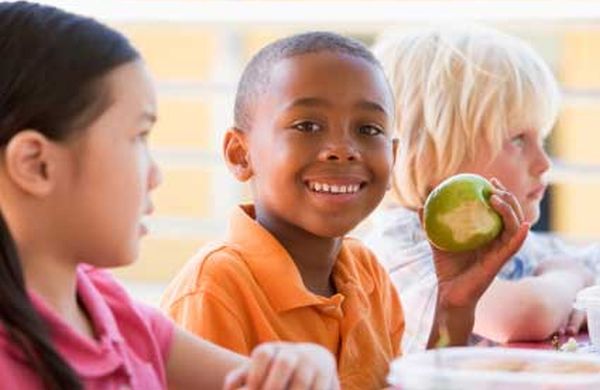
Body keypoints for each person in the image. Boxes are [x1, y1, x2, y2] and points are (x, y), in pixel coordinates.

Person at [160, 31, 528, 389]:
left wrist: (455, 303)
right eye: (307, 125)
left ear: (393, 156)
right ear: (240, 154)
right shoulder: (215, 289)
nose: (342, 148)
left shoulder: (366, 274)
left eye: (368, 129)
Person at [0, 2, 340, 389]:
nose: (156, 176)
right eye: (138, 137)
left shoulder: (106, 305)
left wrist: (303, 366)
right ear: (35, 164)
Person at [362, 26, 596, 353]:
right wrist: (568, 278)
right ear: (435, 153)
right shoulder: (400, 248)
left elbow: (589, 262)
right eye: (517, 140)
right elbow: (525, 314)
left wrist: (581, 284)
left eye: (541, 139)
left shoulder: (505, 235)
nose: (544, 162)